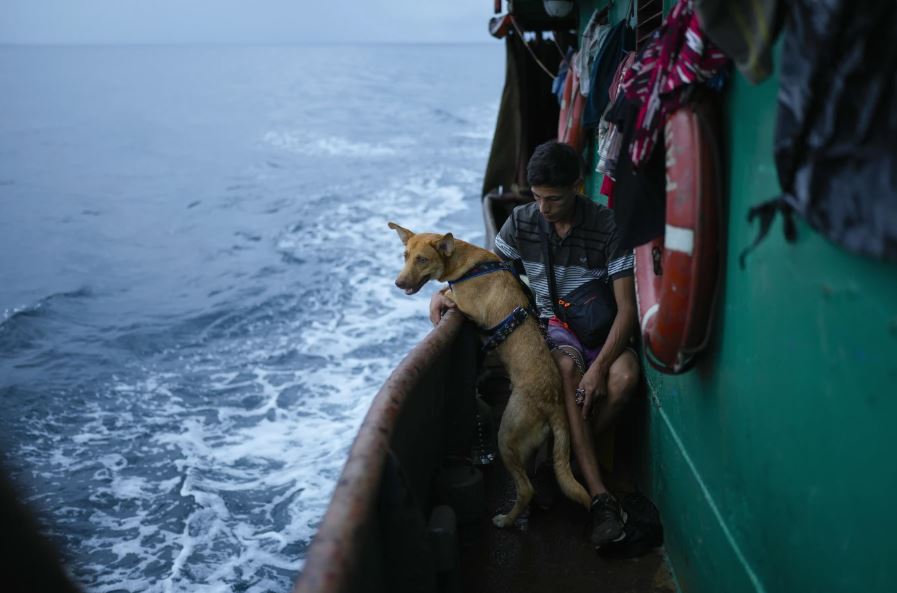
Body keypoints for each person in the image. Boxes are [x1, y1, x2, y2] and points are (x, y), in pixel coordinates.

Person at [429, 141, 639, 547]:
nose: (543, 207)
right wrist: (445, 292)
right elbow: (487, 274)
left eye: (553, 199)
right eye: (537, 197)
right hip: (557, 329)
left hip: (602, 331)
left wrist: (598, 371)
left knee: (624, 377)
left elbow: (627, 311)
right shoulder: (522, 222)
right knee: (564, 370)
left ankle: (560, 461)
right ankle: (599, 497)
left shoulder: (608, 227)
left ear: (578, 187)